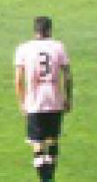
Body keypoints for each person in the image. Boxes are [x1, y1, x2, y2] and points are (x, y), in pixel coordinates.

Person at [15, 16, 73, 182]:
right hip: (54, 101)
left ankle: (45, 180)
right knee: (52, 141)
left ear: (35, 31)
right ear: (49, 30)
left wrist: (22, 102)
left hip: (34, 103)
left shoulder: (24, 48)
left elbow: (18, 79)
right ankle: (51, 177)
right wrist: (68, 98)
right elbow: (67, 76)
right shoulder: (58, 47)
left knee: (38, 145)